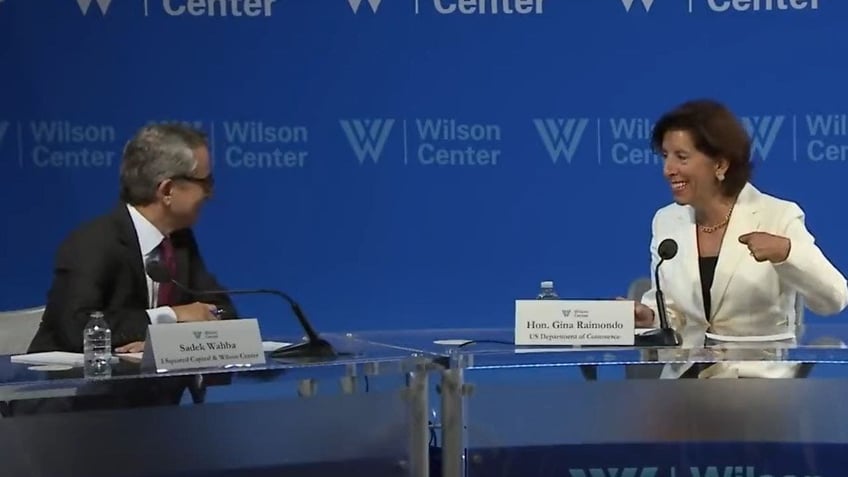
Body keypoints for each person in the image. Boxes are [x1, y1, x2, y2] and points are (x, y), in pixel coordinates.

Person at [11, 123, 236, 414]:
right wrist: (169, 317)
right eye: (205, 182)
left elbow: (222, 312)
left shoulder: (179, 241)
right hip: (67, 414)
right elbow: (78, 328)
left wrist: (162, 343)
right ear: (167, 190)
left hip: (145, 414)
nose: (211, 194)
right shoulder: (93, 243)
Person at [635, 99, 848, 379]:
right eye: (665, 156)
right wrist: (648, 316)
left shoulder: (777, 215)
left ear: (720, 164)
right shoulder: (666, 221)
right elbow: (672, 311)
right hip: (685, 383)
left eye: (681, 157)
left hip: (758, 385)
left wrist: (786, 252)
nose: (668, 169)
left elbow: (834, 298)